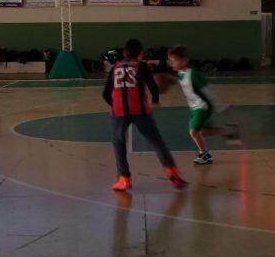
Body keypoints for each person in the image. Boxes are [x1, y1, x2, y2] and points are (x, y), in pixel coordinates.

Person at [102, 39, 185, 191]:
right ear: (140, 53)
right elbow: (152, 86)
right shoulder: (141, 65)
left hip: (119, 111)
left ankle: (124, 179)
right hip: (139, 109)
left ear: (124, 53)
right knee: (156, 141)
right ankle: (173, 174)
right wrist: (155, 99)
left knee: (118, 144)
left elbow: (105, 93)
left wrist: (114, 105)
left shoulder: (115, 68)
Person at [167, 45, 239, 165]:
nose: (171, 63)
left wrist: (221, 106)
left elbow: (208, 90)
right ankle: (229, 131)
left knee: (193, 132)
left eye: (174, 60)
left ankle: (204, 154)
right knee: (204, 132)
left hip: (202, 106)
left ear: (185, 60)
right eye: (170, 60)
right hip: (194, 107)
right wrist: (170, 81)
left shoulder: (193, 73)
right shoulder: (180, 73)